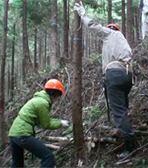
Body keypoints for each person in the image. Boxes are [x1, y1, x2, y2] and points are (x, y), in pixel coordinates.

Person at [74, 1, 135, 158]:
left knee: (119, 112)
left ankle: (131, 147)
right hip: (128, 75)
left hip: (114, 74)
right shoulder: (123, 41)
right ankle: (127, 133)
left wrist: (82, 14)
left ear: (109, 29)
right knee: (123, 107)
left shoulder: (110, 33)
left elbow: (93, 26)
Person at [8, 79, 70, 168]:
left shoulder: (38, 100)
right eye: (57, 96)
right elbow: (46, 124)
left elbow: (38, 121)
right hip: (22, 133)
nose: (56, 99)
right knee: (48, 157)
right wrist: (61, 123)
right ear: (53, 94)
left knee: (17, 164)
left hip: (14, 133)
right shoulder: (43, 103)